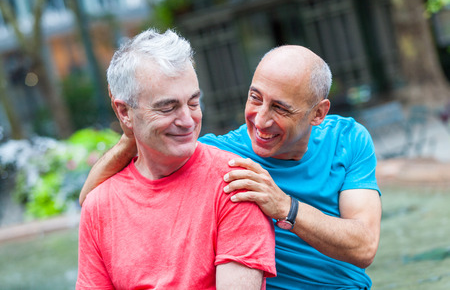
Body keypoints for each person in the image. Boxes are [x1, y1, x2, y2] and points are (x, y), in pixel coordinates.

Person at [79, 43, 382, 289]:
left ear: (318, 113)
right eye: (255, 98)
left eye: (280, 108)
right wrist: (130, 132)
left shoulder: (348, 139)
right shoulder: (220, 154)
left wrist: (285, 207)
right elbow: (92, 200)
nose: (260, 120)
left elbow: (364, 247)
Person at [76, 29, 277, 290]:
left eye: (193, 103)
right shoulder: (99, 205)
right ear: (124, 112)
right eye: (167, 107)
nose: (187, 121)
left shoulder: (236, 182)